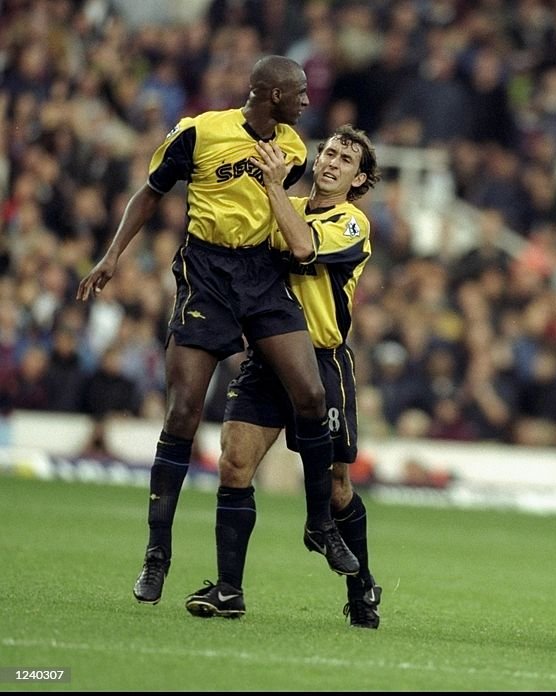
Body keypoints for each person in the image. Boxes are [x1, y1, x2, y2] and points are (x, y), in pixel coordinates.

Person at [76, 55, 358, 606]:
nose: (306, 101)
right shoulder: (200, 131)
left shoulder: (293, 149)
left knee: (310, 392)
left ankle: (320, 523)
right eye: (297, 92)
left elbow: (286, 214)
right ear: (268, 93)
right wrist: (112, 256)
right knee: (183, 411)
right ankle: (157, 554)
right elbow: (149, 193)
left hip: (260, 273)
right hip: (206, 274)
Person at [185, 125, 383, 626]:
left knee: (338, 487)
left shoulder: (352, 221)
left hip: (320, 360)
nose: (332, 162)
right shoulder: (283, 203)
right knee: (233, 465)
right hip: (268, 359)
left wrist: (273, 188)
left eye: (346, 159)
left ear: (359, 179)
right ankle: (229, 588)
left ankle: (362, 588)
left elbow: (303, 250)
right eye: (329, 152)